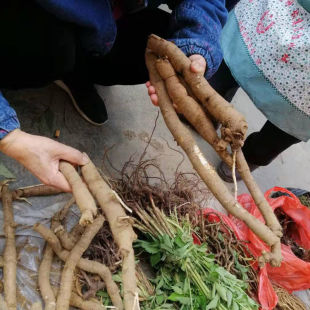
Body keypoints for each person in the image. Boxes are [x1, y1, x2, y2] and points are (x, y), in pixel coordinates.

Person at [0, 0, 231, 191]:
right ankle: (51, 63)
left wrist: (195, 47)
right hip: (34, 19)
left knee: (159, 41)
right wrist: (10, 137)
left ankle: (76, 70)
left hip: (101, 24)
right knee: (56, 48)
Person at [148, 0, 310, 183]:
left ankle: (252, 157)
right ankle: (208, 108)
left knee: (290, 124)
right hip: (286, 15)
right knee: (234, 56)